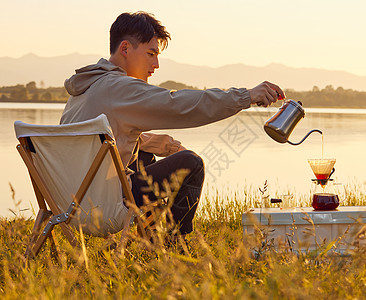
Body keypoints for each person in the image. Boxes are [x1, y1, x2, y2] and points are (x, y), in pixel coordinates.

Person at [60, 11, 285, 240]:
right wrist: (246, 96)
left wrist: (169, 147)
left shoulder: (85, 89)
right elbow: (179, 104)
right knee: (191, 163)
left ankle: (152, 234)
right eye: (150, 54)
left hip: (66, 203)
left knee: (144, 156)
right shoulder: (119, 88)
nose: (156, 64)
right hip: (101, 207)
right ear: (125, 48)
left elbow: (111, 137)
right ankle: (173, 241)